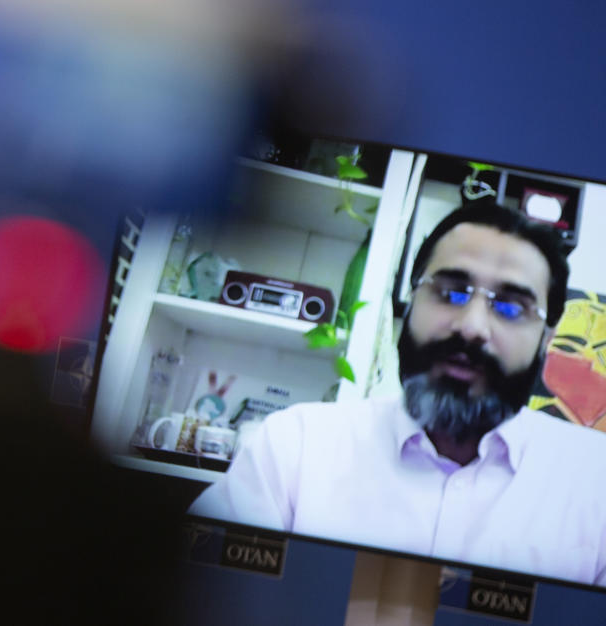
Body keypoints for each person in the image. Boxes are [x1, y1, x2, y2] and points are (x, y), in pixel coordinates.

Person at [189, 201, 606, 587]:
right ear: (409, 302)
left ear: (547, 337)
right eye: (451, 292)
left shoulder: (595, 485)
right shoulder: (294, 448)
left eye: (511, 307)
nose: (472, 326)